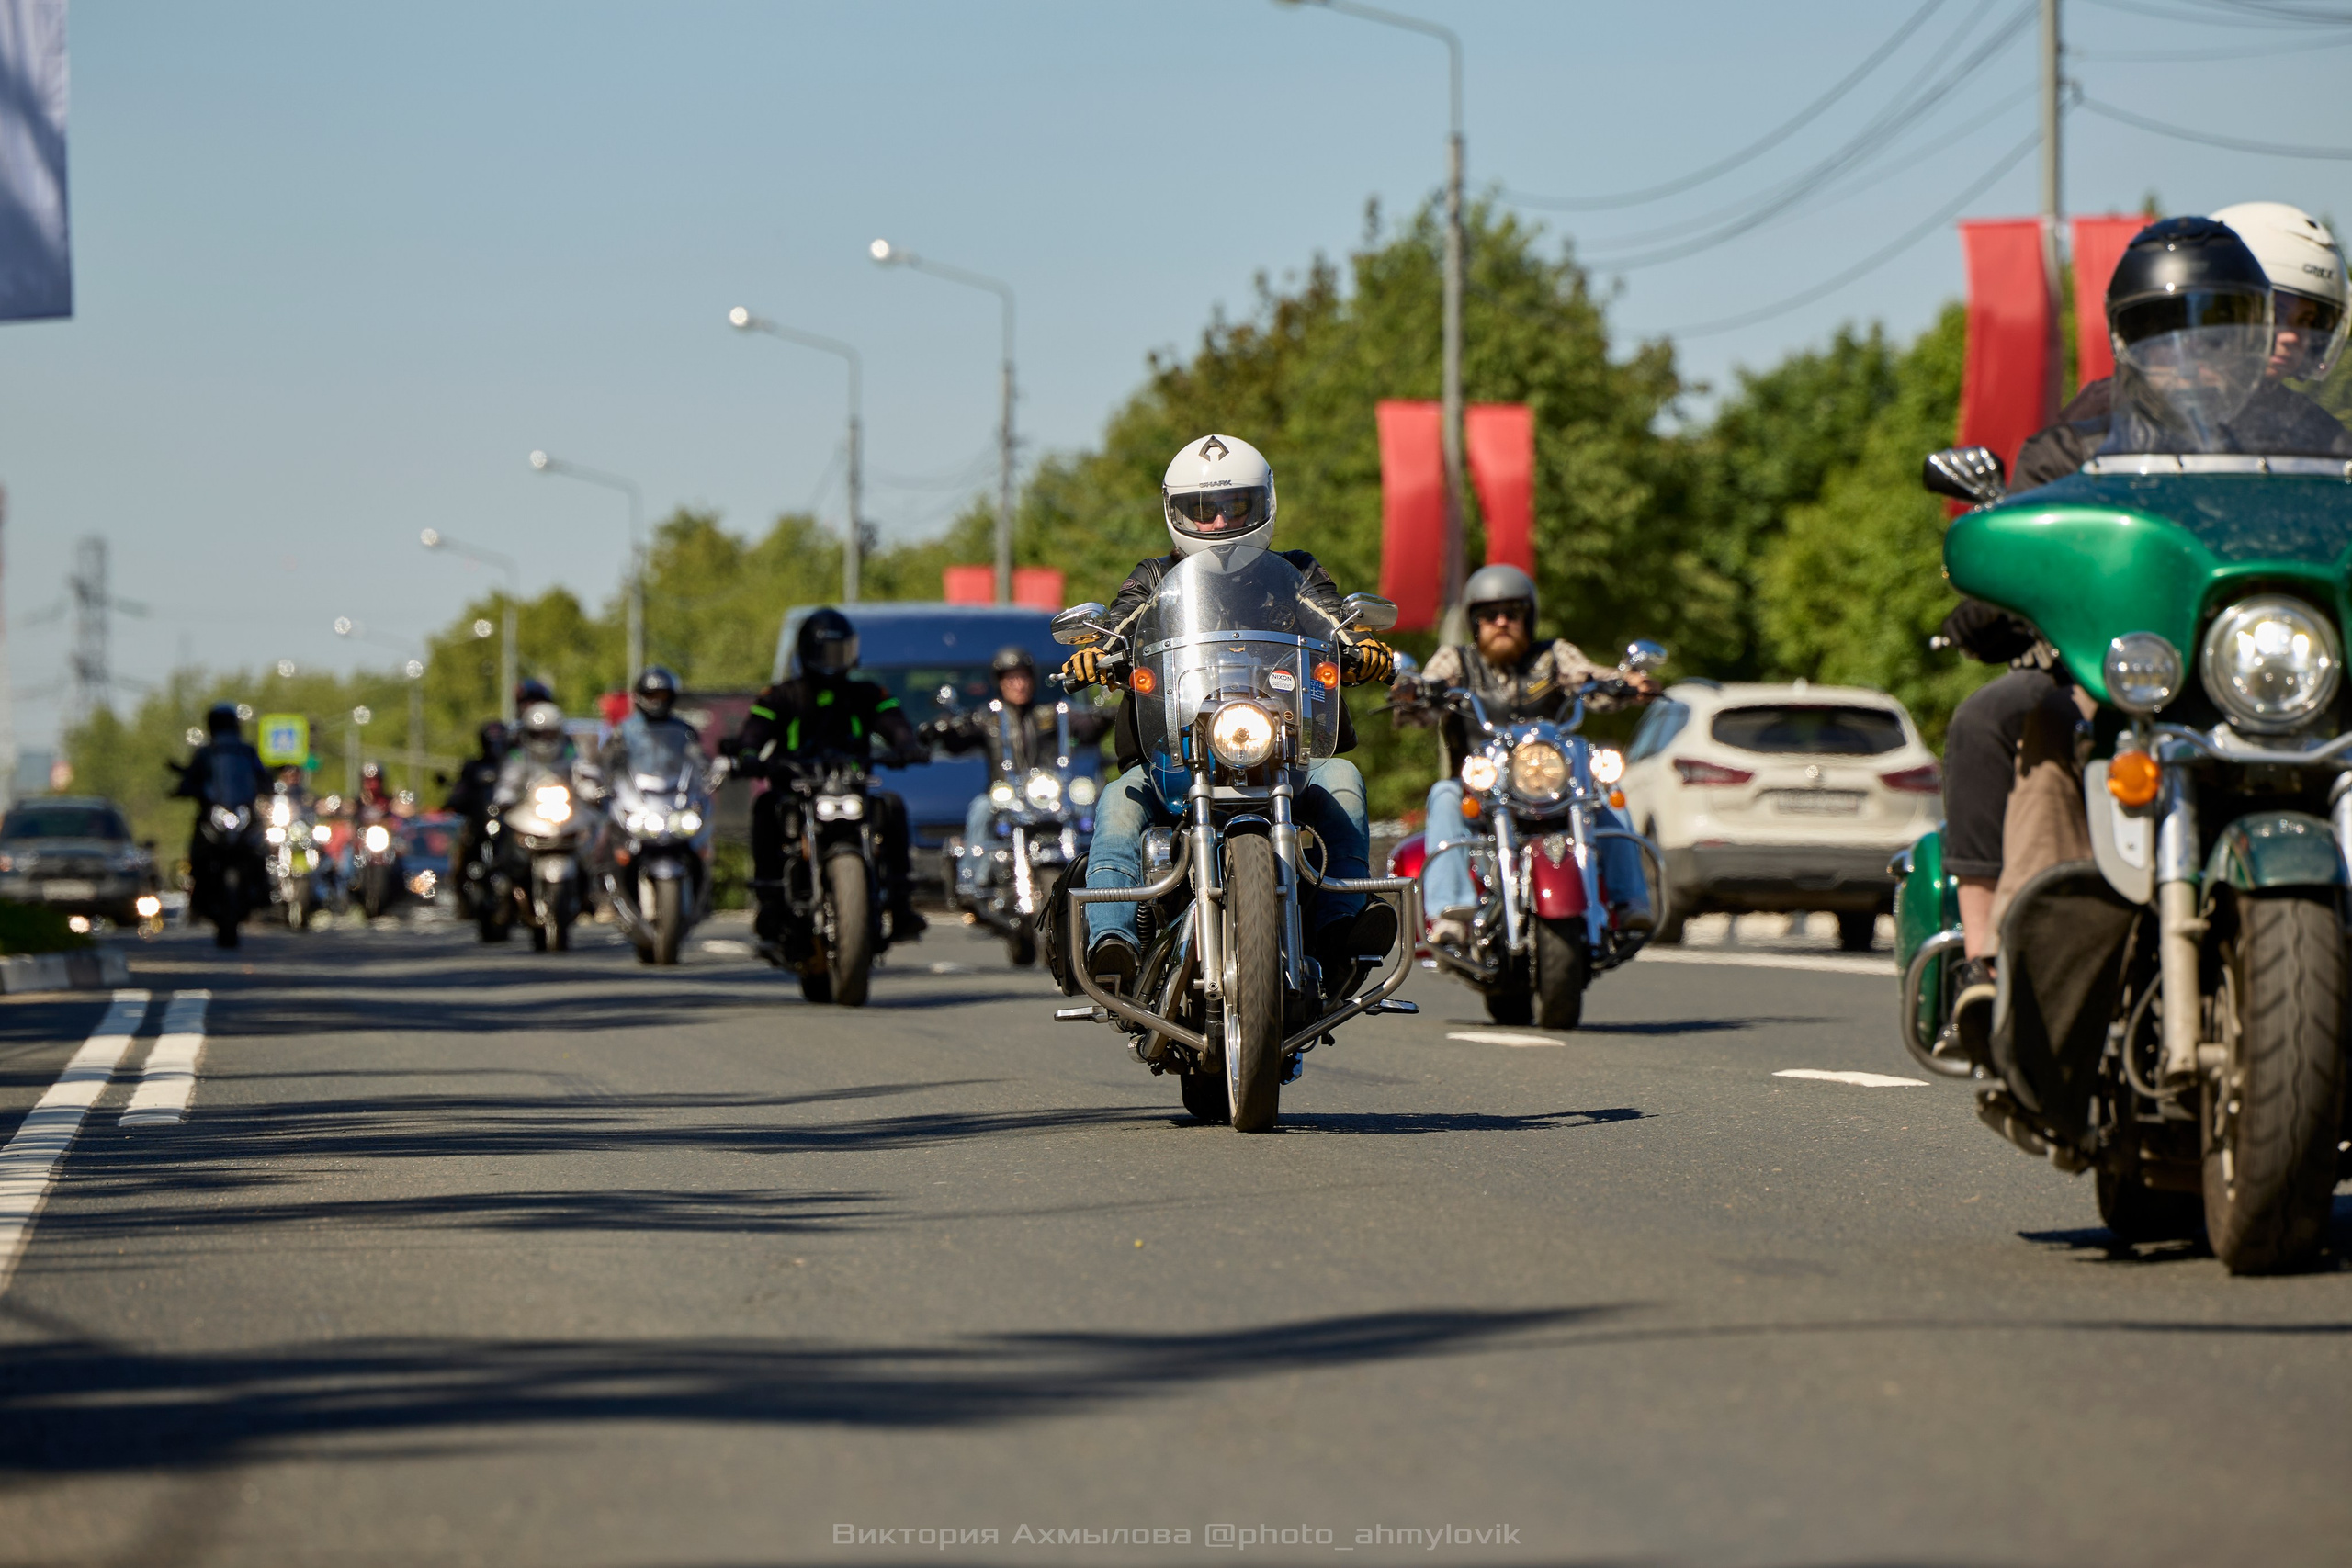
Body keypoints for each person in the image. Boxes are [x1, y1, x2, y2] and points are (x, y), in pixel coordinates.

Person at [1941, 212, 2352, 1038]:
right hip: (2138, 677)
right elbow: (2030, 525)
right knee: (2030, 722)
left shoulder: (2317, 440)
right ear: (2133, 336)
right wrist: (1999, 590)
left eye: (2219, 326)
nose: (2195, 350)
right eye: (2170, 328)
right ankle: (2001, 964)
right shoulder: (2086, 437)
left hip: (2270, 677)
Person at [1058, 433, 1399, 1000]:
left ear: (1262, 504)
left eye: (1234, 505)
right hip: (1175, 755)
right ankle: (1112, 939)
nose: (1218, 521)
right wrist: (1099, 651)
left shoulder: (1298, 573)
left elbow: (1333, 619)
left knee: (1344, 779)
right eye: (1202, 509)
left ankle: (1341, 926)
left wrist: (1360, 647)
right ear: (1177, 512)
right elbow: (1120, 624)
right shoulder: (1152, 579)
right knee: (1118, 804)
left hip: (1287, 752)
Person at [1393, 564, 1660, 949]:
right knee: (1444, 795)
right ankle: (1449, 912)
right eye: (1490, 615)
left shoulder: (1553, 656)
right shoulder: (1458, 660)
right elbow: (1428, 692)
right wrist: (1413, 693)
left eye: (1512, 613)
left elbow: (1586, 676)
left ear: (1528, 618)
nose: (1501, 622)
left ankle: (1631, 901)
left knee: (1605, 794)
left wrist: (1624, 683)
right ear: (1475, 622)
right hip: (1480, 788)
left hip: (1553, 783)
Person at [733, 608, 927, 955]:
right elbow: (756, 729)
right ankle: (771, 902)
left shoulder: (867, 693)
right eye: (825, 652)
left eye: (840, 652)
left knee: (892, 805)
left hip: (850, 786)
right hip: (797, 789)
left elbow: (893, 721)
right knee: (766, 807)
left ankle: (900, 904)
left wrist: (907, 745)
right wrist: (748, 754)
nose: (833, 661)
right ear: (807, 652)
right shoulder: (782, 695)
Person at [921, 646, 1114, 897]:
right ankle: (973, 881)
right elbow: (959, 739)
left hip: (1045, 795)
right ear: (1000, 682)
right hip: (1006, 797)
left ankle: (1101, 874)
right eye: (1011, 679)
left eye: (1023, 677)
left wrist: (1106, 716)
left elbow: (1086, 728)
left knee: (1092, 807)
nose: (1019, 684)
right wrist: (944, 728)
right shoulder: (987, 717)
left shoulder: (1050, 712)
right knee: (980, 808)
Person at [444, 719, 510, 913]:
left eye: (499, 741)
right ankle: (461, 894)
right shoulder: (473, 767)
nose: (495, 747)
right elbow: (461, 789)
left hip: (508, 824)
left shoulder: (512, 766)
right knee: (463, 846)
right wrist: (454, 801)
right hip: (479, 822)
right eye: (491, 742)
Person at [601, 665, 702, 781]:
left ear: (671, 696)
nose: (656, 701)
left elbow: (699, 762)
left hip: (674, 789)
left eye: (662, 696)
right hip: (633, 789)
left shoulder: (684, 730)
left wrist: (709, 773)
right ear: (639, 695)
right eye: (650, 695)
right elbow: (607, 766)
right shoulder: (622, 731)